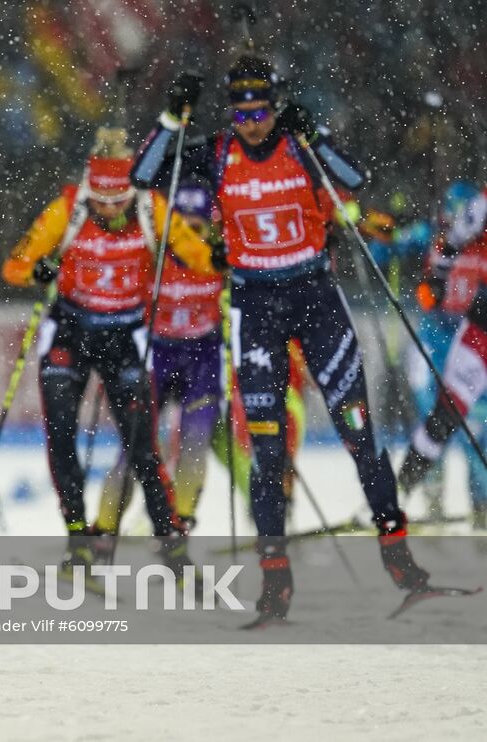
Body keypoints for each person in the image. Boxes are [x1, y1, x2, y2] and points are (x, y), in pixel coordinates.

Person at [132, 55, 431, 624]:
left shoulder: (298, 144)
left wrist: (313, 132)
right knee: (266, 451)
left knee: (357, 430)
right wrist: (172, 118)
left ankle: (400, 557)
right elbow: (145, 176)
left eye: (262, 109)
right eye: (241, 110)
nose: (252, 121)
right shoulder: (218, 153)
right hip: (255, 305)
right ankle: (275, 584)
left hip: (316, 298)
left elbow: (354, 180)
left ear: (276, 103)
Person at [3, 128, 214, 572]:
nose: (110, 210)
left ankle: (171, 545)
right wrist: (38, 270)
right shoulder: (68, 209)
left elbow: (202, 257)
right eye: (100, 198)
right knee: (61, 434)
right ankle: (78, 537)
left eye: (119, 199)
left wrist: (223, 254)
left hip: (125, 336)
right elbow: (14, 266)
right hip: (70, 332)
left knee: (141, 446)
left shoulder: (152, 209)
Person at [93, 181, 224, 535]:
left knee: (197, 439)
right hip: (157, 354)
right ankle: (103, 528)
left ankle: (180, 521)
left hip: (203, 356)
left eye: (198, 227)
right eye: (184, 228)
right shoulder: (152, 254)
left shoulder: (217, 258)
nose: (192, 238)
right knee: (136, 448)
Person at [398, 181, 487, 530]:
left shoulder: (479, 246)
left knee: (475, 429)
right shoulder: (442, 245)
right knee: (436, 417)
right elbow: (427, 294)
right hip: (442, 338)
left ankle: (480, 504)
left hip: (471, 336)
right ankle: (423, 495)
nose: (452, 221)